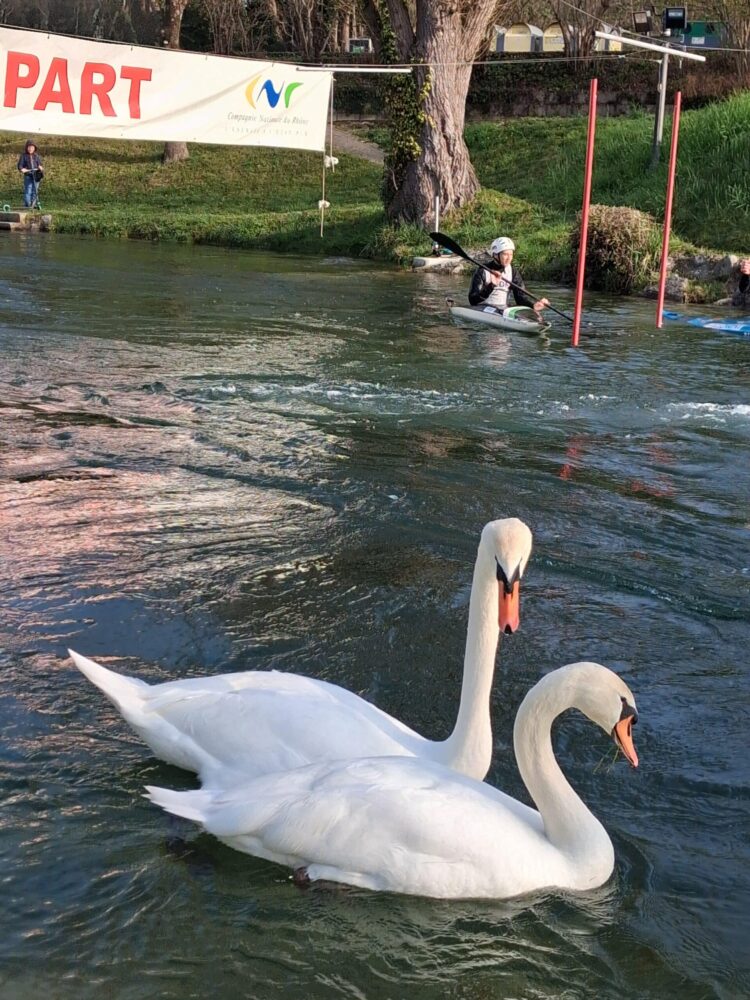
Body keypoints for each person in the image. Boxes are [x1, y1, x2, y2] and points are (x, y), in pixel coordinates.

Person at [468, 237, 550, 315]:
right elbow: (473, 300)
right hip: (483, 308)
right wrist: (491, 285)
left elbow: (520, 298)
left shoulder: (513, 272)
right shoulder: (483, 271)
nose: (509, 258)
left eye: (511, 254)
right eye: (505, 254)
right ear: (495, 255)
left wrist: (533, 305)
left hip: (502, 310)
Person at [17, 139, 44, 208]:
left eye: (32, 147)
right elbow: (20, 165)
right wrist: (22, 169)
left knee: (35, 190)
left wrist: (40, 167)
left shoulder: (36, 156)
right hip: (28, 175)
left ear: (34, 148)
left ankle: (33, 204)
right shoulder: (24, 156)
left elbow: (40, 164)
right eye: (29, 147)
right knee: (28, 190)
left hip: (36, 175)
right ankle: (27, 204)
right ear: (26, 148)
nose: (30, 149)